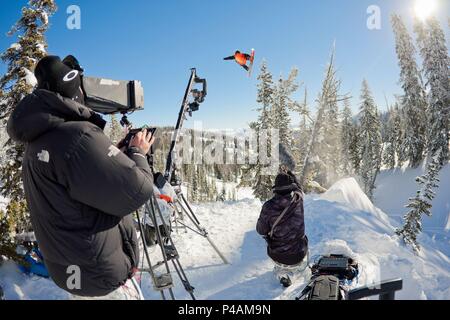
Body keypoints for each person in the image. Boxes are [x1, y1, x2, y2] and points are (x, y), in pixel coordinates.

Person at [7, 55, 155, 300]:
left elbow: (76, 185)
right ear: (74, 93)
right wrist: (137, 152)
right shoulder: (78, 136)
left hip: (71, 271)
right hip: (100, 275)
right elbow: (137, 191)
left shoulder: (37, 141)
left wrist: (113, 157)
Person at [256, 171, 309, 288]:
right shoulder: (298, 199)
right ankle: (297, 269)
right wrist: (293, 177)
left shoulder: (268, 206)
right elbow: (299, 188)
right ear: (291, 187)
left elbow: (261, 230)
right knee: (303, 238)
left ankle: (283, 272)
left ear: (276, 189)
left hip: (278, 254)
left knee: (273, 242)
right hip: (300, 253)